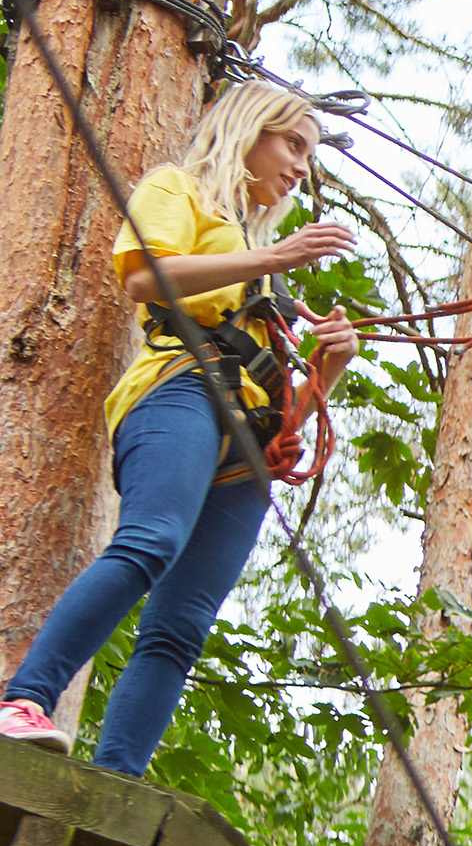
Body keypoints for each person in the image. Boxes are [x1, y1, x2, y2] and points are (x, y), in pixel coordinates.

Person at [0, 81, 359, 776]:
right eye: (292, 144)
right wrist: (272, 259)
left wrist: (327, 368)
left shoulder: (266, 269)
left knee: (181, 628)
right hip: (180, 389)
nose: (300, 167)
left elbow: (285, 424)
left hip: (248, 447)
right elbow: (145, 278)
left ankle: (118, 783)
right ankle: (26, 698)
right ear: (249, 129)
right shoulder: (179, 190)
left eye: (309, 155)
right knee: (151, 541)